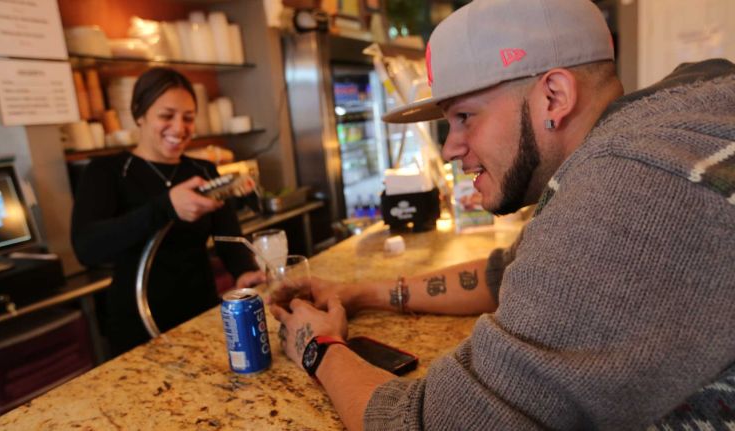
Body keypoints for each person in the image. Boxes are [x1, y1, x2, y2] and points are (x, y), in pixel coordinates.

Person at [270, 0, 735, 429]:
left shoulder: (630, 188)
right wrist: (357, 293)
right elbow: (505, 272)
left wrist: (318, 347)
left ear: (553, 96)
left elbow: (434, 424)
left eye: (465, 117)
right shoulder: (665, 124)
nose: (451, 148)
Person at [71, 67, 261, 356]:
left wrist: (244, 271)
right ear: (139, 114)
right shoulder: (107, 172)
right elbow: (86, 247)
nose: (179, 127)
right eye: (166, 115)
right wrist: (165, 206)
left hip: (201, 315)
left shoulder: (202, 170)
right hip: (138, 324)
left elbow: (228, 238)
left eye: (188, 117)